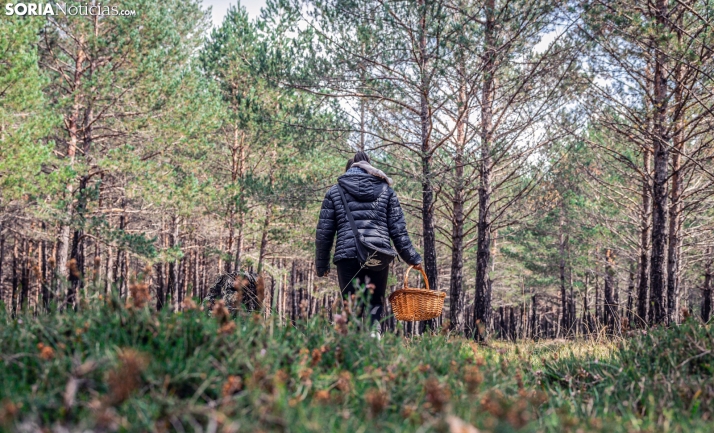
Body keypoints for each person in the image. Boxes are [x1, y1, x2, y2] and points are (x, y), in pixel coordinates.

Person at [315, 150, 422, 326]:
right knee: (375, 304)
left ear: (349, 169)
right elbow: (398, 230)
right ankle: (375, 337)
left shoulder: (334, 192)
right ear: (370, 167)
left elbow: (324, 233)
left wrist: (321, 265)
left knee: (351, 305)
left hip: (347, 255)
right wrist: (413, 258)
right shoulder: (386, 190)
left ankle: (353, 346)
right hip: (377, 254)